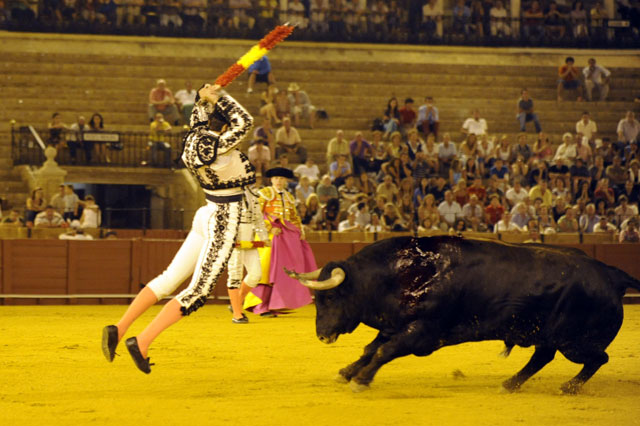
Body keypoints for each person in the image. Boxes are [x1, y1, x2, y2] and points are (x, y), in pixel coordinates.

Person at [101, 84, 255, 374]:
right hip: (224, 216)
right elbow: (245, 122)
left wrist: (203, 99)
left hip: (206, 211)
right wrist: (221, 97)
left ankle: (120, 329)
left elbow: (199, 121)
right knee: (197, 291)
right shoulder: (219, 147)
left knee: (170, 278)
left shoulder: (193, 139)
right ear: (223, 133)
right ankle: (143, 341)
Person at [244, 167, 316, 316]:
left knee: (279, 272)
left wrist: (299, 230)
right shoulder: (264, 194)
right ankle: (258, 305)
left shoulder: (289, 196)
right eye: (276, 178)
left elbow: (293, 217)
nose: (279, 181)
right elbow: (256, 214)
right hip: (267, 238)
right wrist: (270, 228)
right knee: (265, 269)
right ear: (271, 180)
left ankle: (273, 305)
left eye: (282, 179)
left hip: (283, 238)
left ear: (286, 180)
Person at [226, 186, 270, 324]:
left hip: (250, 241)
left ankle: (236, 303)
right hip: (233, 239)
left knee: (256, 274)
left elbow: (258, 219)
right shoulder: (226, 194)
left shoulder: (253, 195)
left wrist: (264, 237)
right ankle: (237, 314)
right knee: (235, 274)